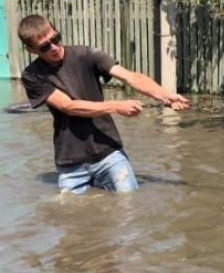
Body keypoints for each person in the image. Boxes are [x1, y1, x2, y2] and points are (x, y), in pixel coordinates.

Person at [17, 14, 190, 194]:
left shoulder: (86, 54)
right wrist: (116, 106)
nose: (54, 47)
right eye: (45, 46)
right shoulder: (32, 76)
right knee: (70, 217)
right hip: (70, 161)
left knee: (130, 203)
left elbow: (130, 77)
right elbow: (68, 106)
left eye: (55, 38)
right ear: (31, 50)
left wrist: (166, 96)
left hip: (108, 150)